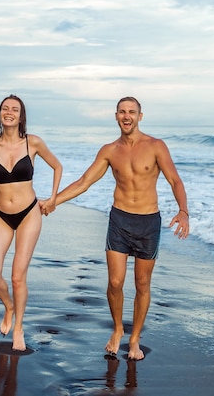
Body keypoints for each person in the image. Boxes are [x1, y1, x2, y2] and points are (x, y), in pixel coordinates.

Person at [41, 96, 189, 360]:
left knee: (142, 283)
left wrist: (183, 211)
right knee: (115, 282)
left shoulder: (156, 146)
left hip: (147, 222)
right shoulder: (109, 150)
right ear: (116, 116)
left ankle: (134, 339)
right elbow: (84, 181)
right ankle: (118, 329)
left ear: (140, 116)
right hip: (120, 220)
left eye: (132, 111)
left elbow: (174, 180)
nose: (127, 116)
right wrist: (55, 201)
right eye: (122, 112)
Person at [0, 94, 62, 351]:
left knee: (17, 277)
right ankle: (9, 306)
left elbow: (57, 166)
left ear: (21, 115)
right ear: (0, 113)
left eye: (15, 109)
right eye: (5, 108)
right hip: (0, 216)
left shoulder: (32, 143)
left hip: (29, 214)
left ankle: (19, 327)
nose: (9, 112)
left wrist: (53, 198)